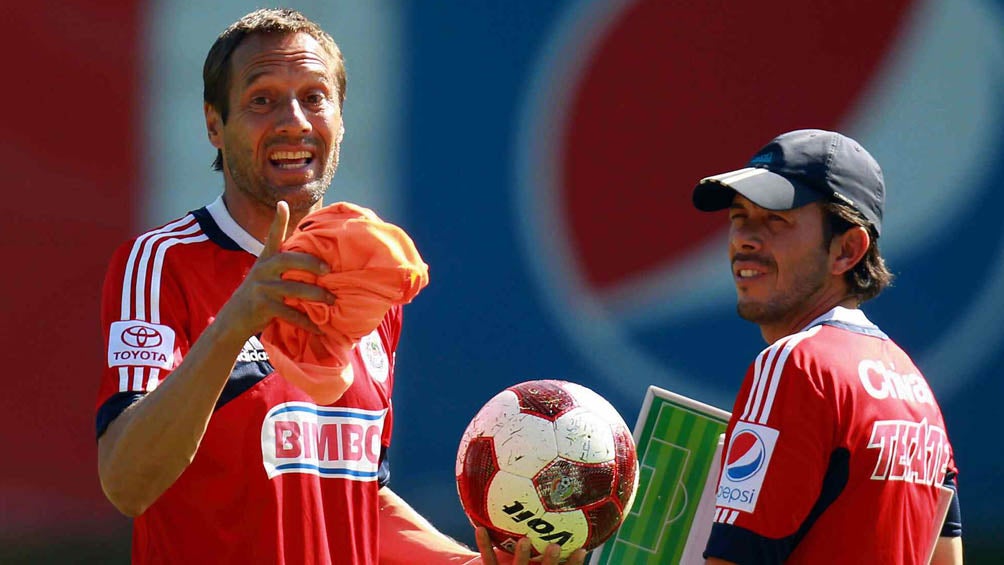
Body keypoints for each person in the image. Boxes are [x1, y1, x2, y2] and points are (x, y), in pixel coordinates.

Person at [95, 8, 585, 565]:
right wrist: (236, 323)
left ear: (341, 118)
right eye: (262, 99)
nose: (294, 121)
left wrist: (471, 564)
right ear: (214, 124)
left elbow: (357, 500)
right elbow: (127, 482)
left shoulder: (367, 281)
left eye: (314, 97)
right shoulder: (161, 264)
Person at [690, 129, 963, 564]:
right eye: (739, 216)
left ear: (847, 249)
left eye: (777, 219)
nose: (744, 238)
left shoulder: (792, 365)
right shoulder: (916, 390)